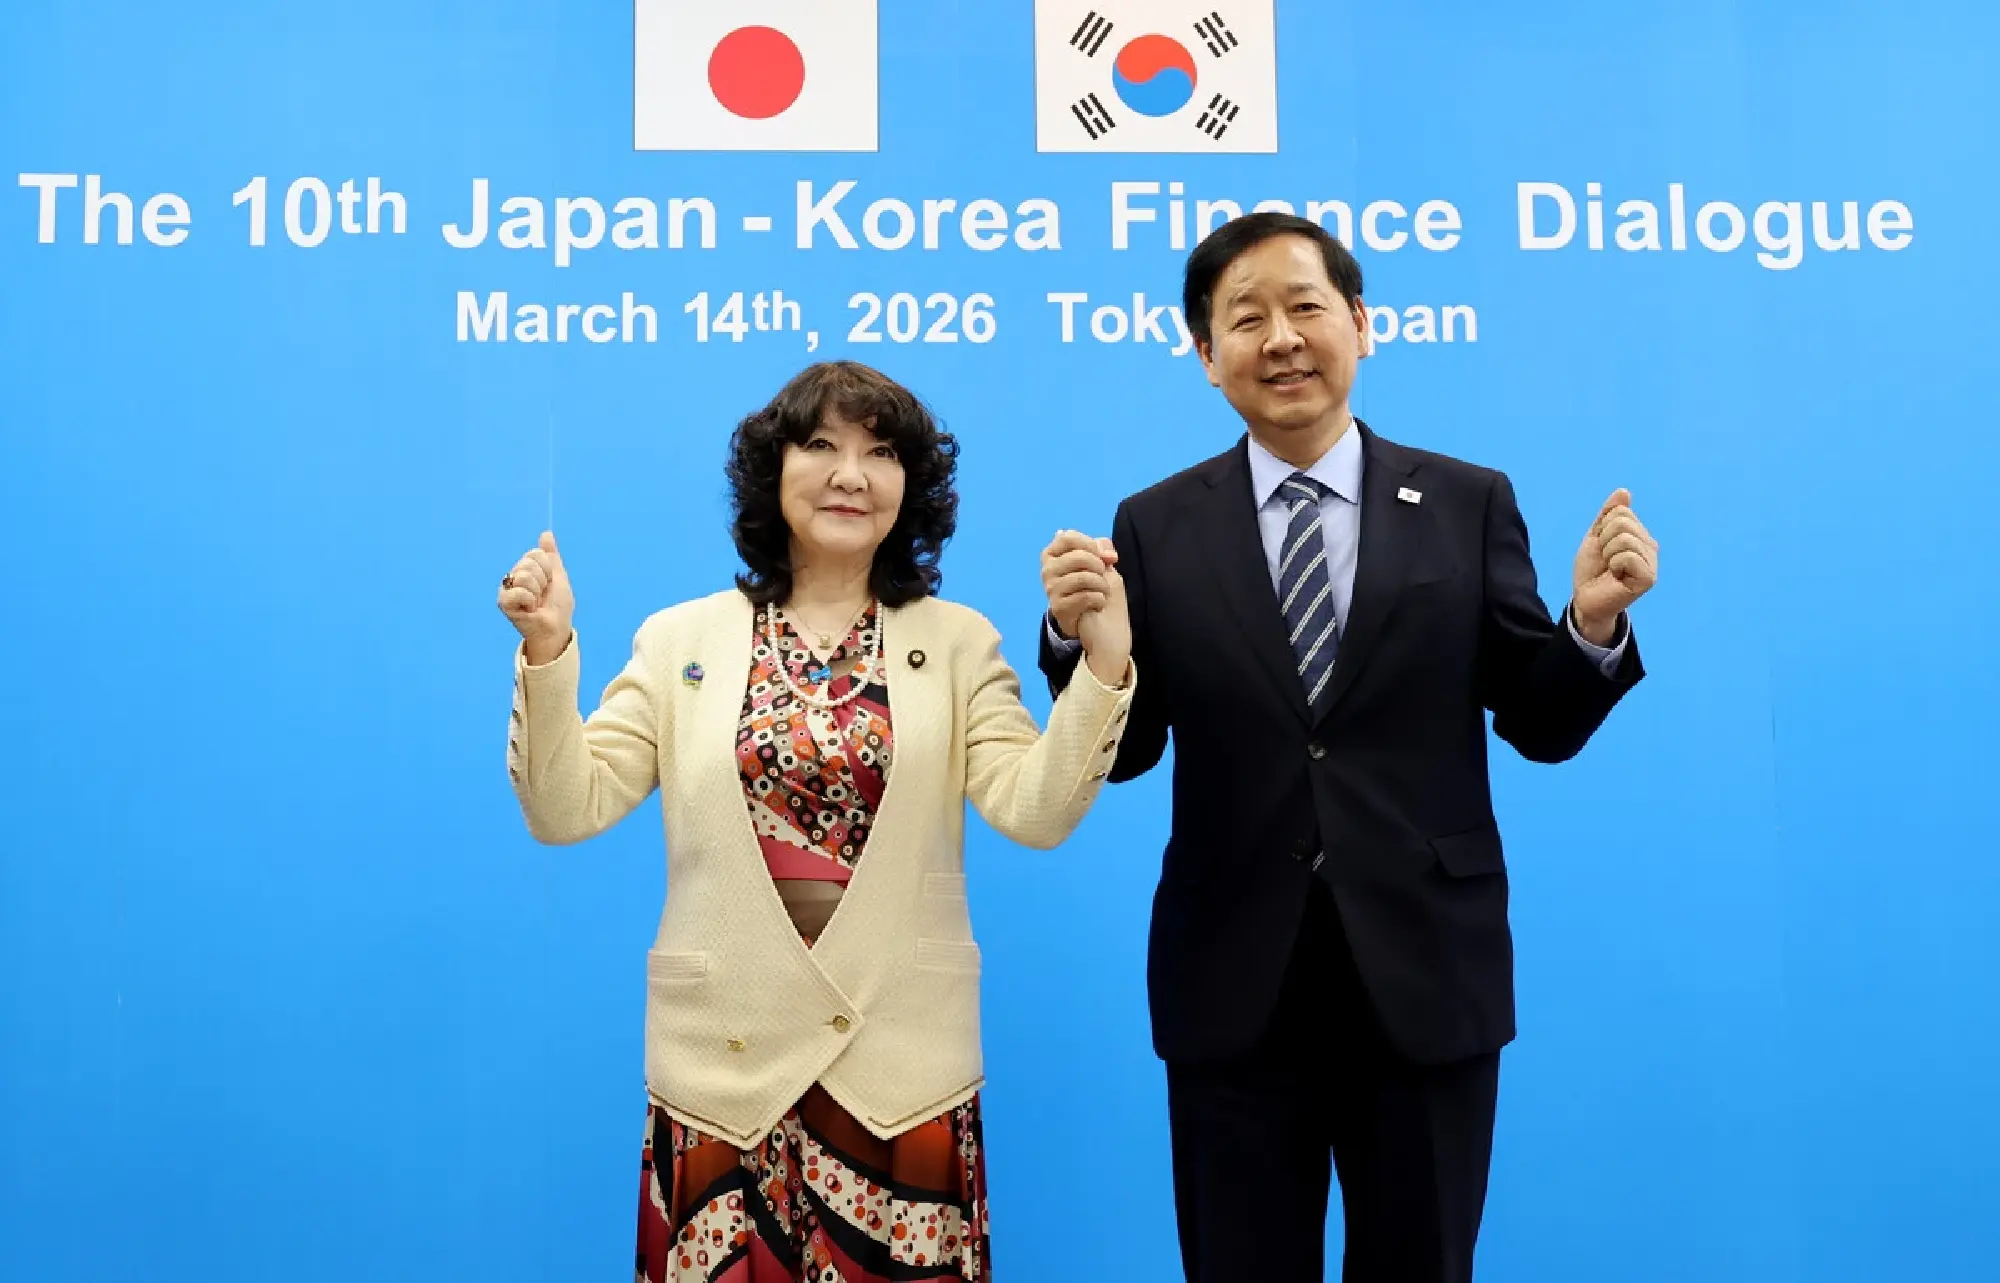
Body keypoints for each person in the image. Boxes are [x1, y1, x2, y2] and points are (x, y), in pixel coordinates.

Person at [1037, 212, 1659, 1283]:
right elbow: (1128, 750)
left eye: (1304, 307)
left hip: (1423, 970)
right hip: (1232, 979)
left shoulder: (1465, 500)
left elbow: (1536, 719)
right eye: (1245, 320)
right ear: (1205, 356)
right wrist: (1076, 643)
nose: (1279, 338)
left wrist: (1589, 624)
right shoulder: (1154, 524)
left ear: (1360, 326)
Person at [497, 360, 1136, 1283]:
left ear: (910, 488)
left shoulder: (958, 642)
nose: (852, 473)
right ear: (774, 473)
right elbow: (565, 808)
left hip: (899, 1077)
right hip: (725, 1076)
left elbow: (1033, 811)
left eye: (881, 452)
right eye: (823, 445)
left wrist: (1104, 661)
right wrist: (549, 650)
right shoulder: (681, 639)